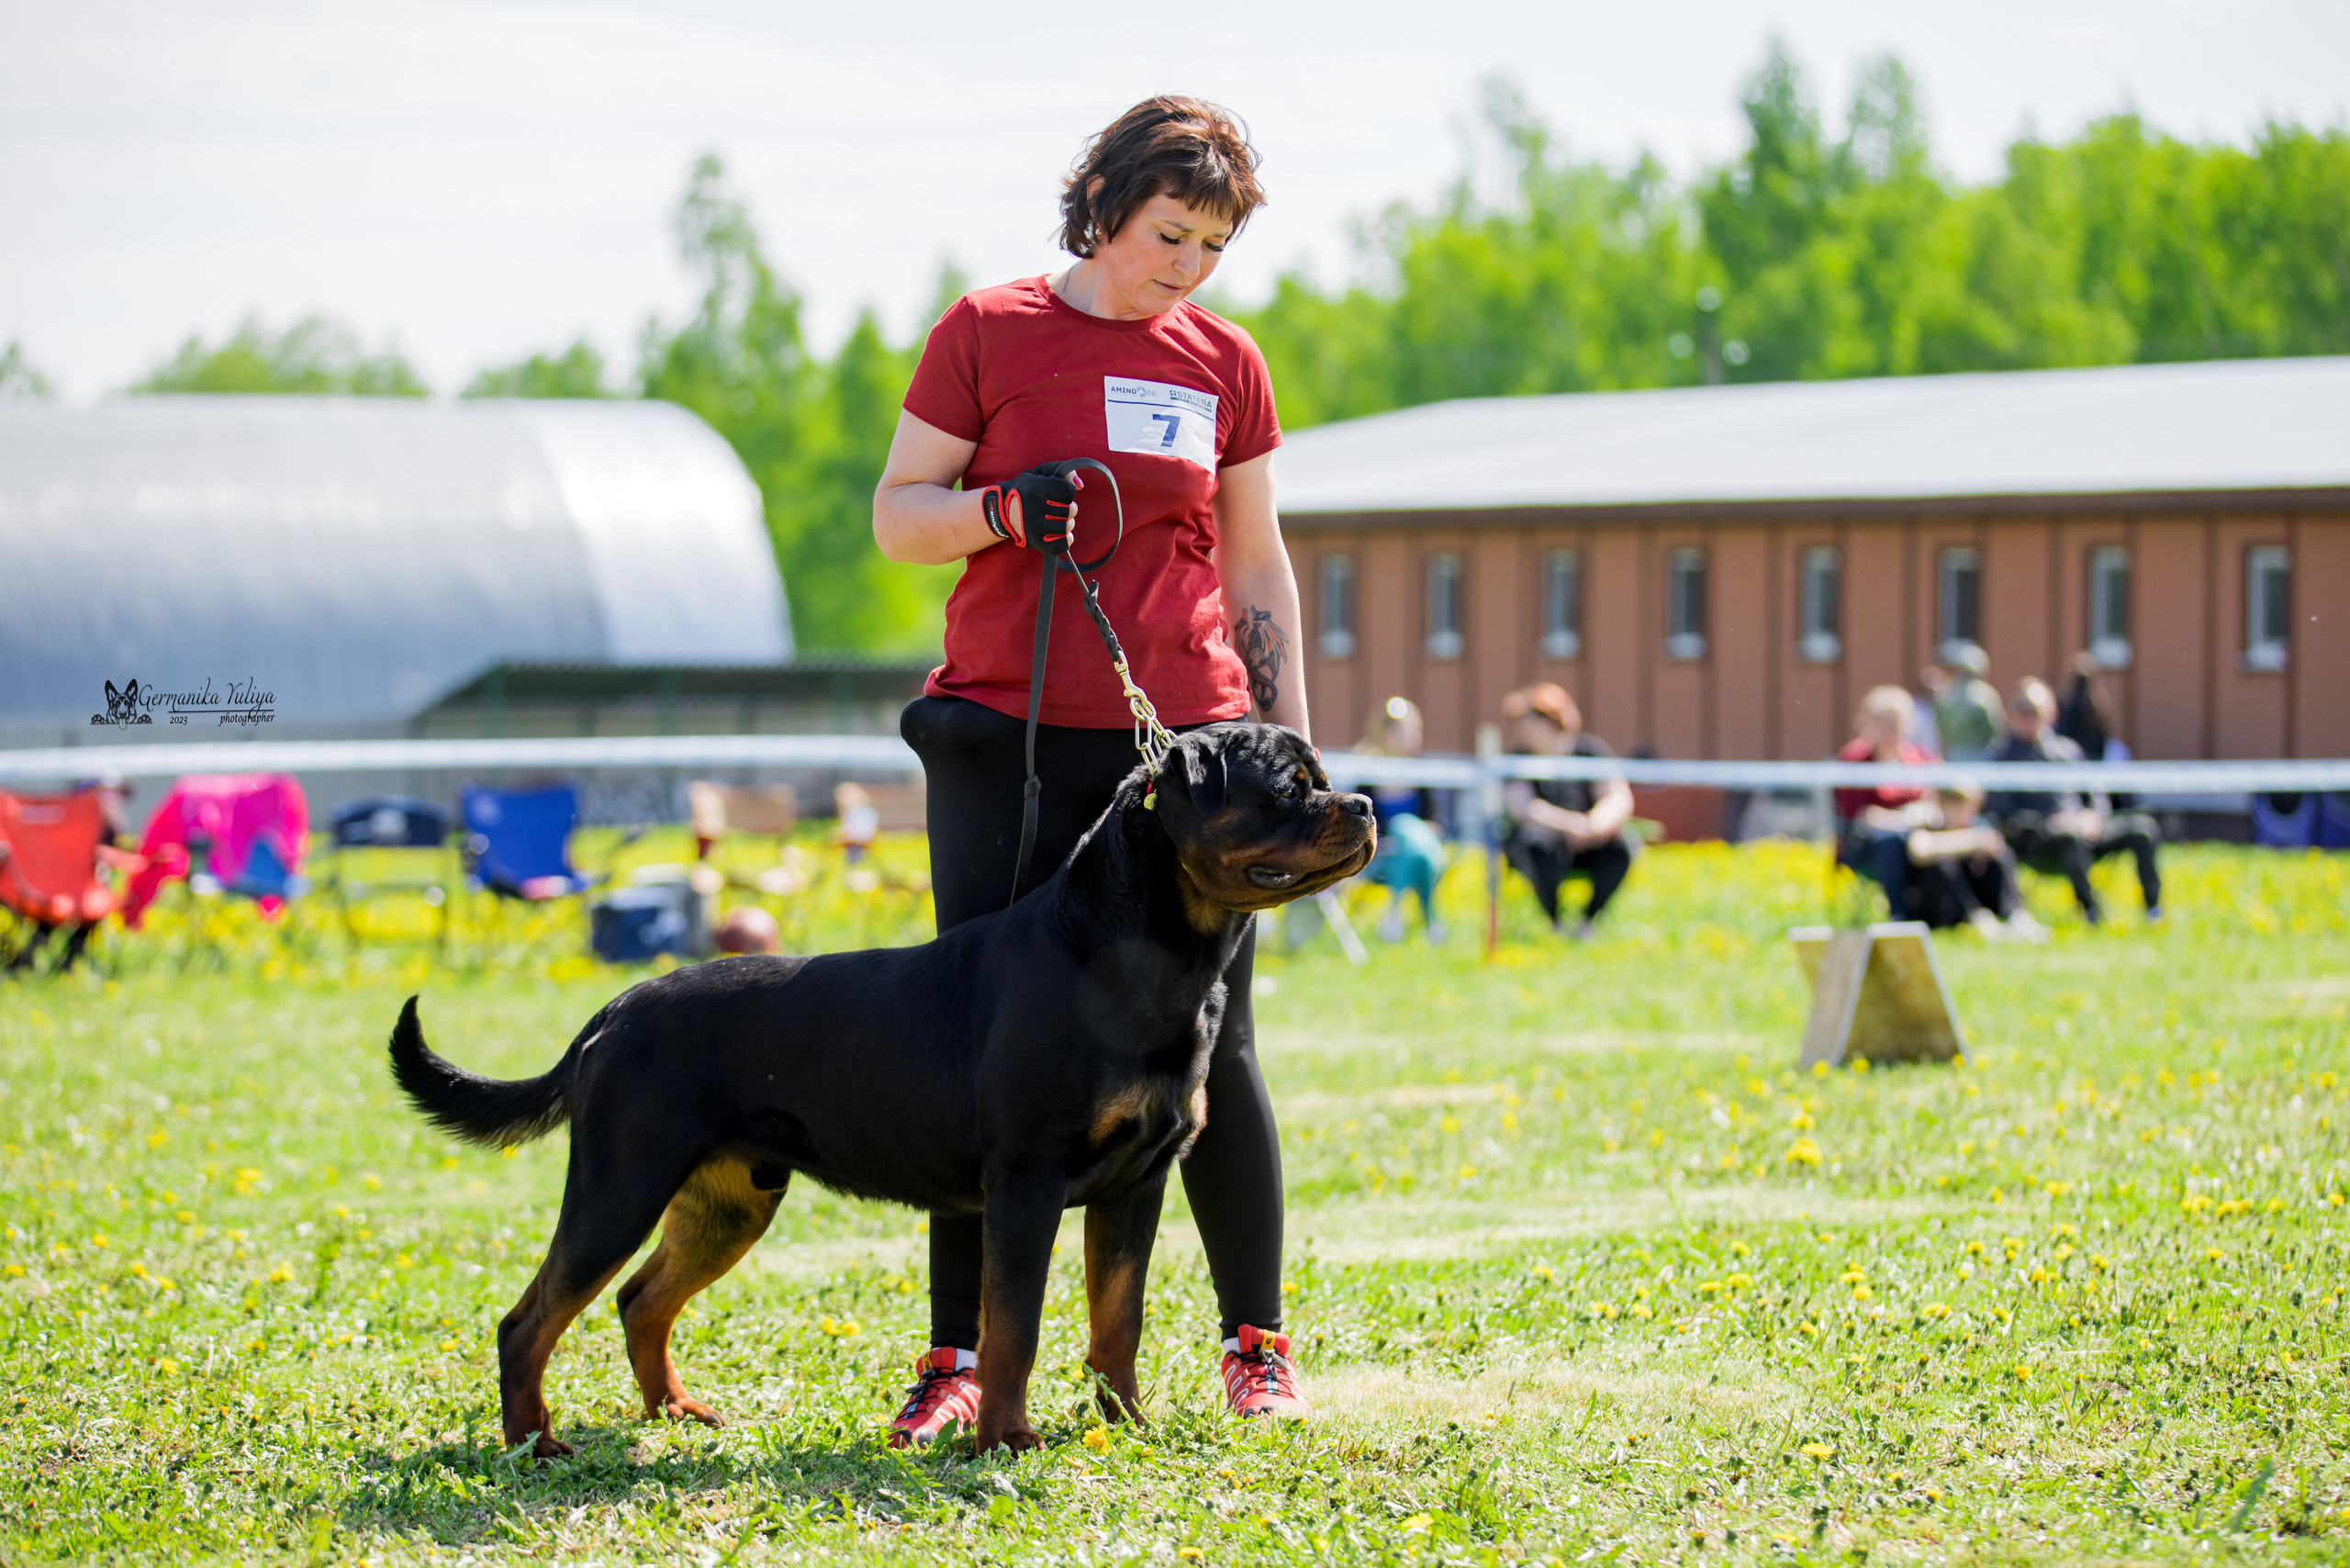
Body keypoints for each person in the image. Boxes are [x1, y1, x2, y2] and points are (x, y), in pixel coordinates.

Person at [870, 96, 1308, 1442]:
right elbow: (899, 522)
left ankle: (1256, 1345)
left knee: (1212, 1044)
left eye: (1212, 247)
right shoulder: (987, 332)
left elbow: (1253, 561)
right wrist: (1001, 510)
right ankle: (956, 1364)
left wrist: (1286, 741)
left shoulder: (1224, 361)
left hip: (1180, 751)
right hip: (1006, 735)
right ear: (1104, 201)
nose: (1184, 267)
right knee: (981, 1050)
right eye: (1169, 233)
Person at [1985, 678, 2164, 925]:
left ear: (2051, 712)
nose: (2030, 718)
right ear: (2011, 713)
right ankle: (2092, 913)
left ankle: (2154, 912)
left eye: (2035, 711)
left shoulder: (2067, 750)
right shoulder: (2000, 757)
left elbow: (2095, 795)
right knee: (2070, 837)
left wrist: (2093, 816)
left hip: (2084, 831)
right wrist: (2049, 824)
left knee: (2143, 828)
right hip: (2039, 841)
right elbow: (2002, 812)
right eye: (2023, 711)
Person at [1497, 684, 1634, 939]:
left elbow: (1618, 796)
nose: (1521, 731)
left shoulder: (1589, 752)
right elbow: (1524, 808)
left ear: (1551, 722)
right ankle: (1555, 922)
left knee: (1621, 851)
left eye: (1528, 723)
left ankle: (1587, 922)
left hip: (1589, 842)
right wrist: (1569, 826)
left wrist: (1594, 826)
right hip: (1547, 842)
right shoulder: (1519, 759)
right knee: (1536, 849)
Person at [1833, 686, 1940, 918]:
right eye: (1885, 722)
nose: (1892, 730)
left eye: (1898, 722)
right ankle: (1897, 914)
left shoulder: (1920, 757)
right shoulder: (1856, 760)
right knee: (1892, 843)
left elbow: (1937, 800)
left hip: (1918, 837)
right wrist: (1905, 818)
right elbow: (1860, 816)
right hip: (1867, 844)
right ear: (1869, 723)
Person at [1902, 785, 2049, 941]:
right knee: (1943, 863)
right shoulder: (1927, 828)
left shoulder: (1979, 827)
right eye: (1955, 805)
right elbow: (1919, 851)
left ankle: (2015, 915)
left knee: (2001, 856)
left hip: (1977, 892)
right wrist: (1971, 843)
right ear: (1942, 805)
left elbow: (1995, 844)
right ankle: (1976, 918)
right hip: (1940, 906)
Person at [1355, 696, 1449, 942]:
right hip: (1382, 855)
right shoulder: (1369, 775)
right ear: (1388, 734)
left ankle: (1395, 914)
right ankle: (1430, 922)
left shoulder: (1422, 773)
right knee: (1403, 836)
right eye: (1410, 731)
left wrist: (1409, 834)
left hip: (1421, 848)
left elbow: (1437, 823)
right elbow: (1360, 822)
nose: (1417, 737)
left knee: (1408, 833)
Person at [1923, 644, 2003, 761]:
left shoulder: (1947, 693)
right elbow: (1995, 727)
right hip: (1977, 754)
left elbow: (1941, 728)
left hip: (1958, 754)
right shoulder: (1983, 694)